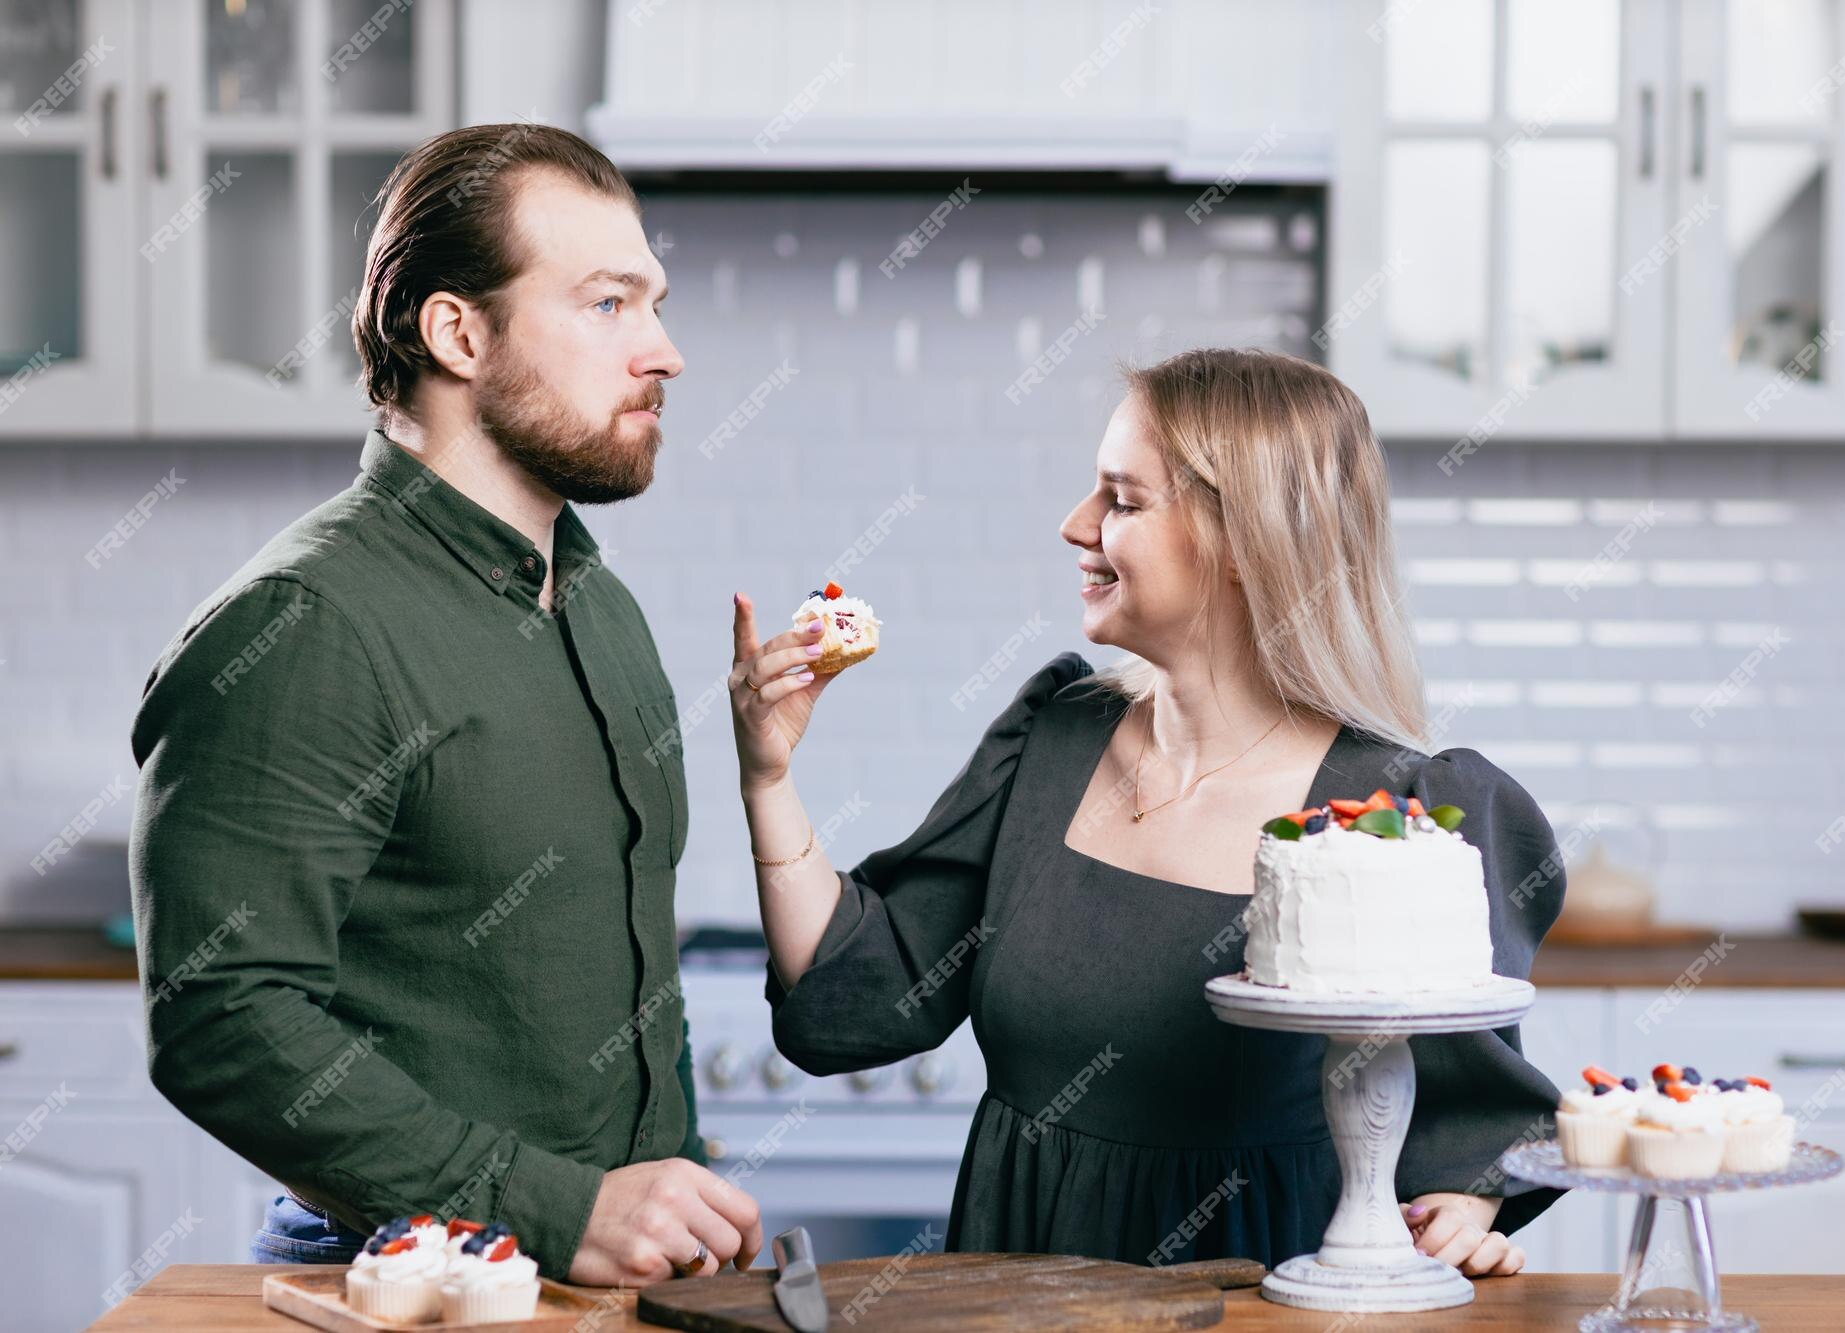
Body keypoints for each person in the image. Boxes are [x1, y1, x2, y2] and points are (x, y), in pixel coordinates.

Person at [728, 348, 1563, 1275]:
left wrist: (1467, 1200)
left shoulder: (1397, 817)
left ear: (1246, 542)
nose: (1074, 525)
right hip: (1016, 1287)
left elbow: (1469, 1122)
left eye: (1121, 500)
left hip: (1258, 1294)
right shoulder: (1054, 737)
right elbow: (865, 989)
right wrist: (768, 778)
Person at [130, 124, 760, 1286]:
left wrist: (671, 1197)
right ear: (457, 333)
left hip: (622, 1279)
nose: (664, 352)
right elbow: (221, 1016)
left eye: (654, 304)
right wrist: (556, 1208)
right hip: (418, 1279)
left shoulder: (596, 603)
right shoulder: (302, 623)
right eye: (610, 305)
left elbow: (627, 976)